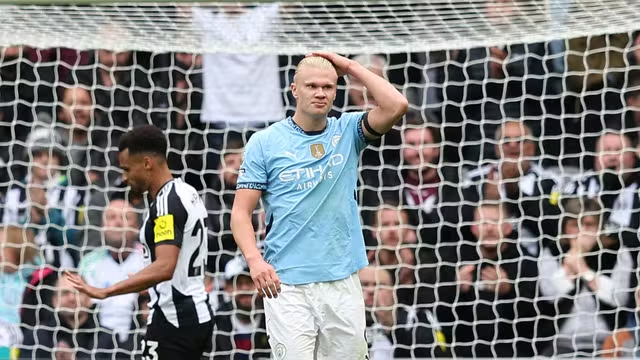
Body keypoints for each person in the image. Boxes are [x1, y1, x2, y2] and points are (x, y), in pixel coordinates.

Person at [230, 52, 408, 359]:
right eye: (311, 85)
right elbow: (240, 213)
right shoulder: (264, 142)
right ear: (294, 89)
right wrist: (254, 261)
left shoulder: (348, 131)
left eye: (328, 86)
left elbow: (396, 105)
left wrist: (351, 67)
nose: (320, 92)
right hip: (286, 282)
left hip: (341, 279)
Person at [65, 125, 213, 360]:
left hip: (174, 318)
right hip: (193, 312)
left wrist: (107, 291)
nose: (124, 177)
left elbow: (166, 266)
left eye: (126, 169)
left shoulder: (166, 203)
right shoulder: (186, 191)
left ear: (147, 163)